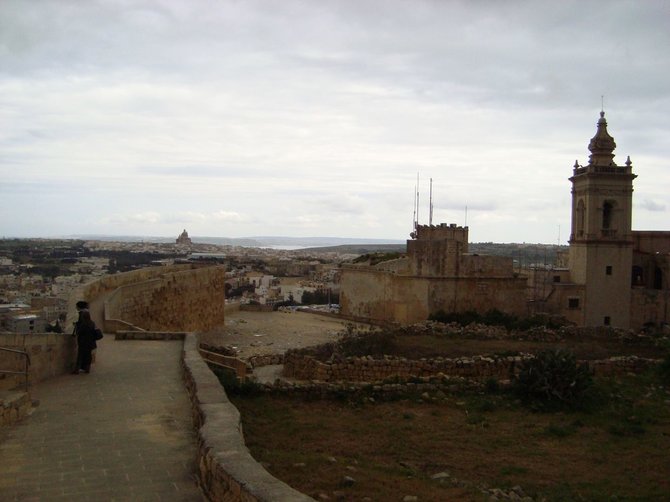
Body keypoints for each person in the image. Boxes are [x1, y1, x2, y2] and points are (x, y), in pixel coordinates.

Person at [72, 310, 97, 374]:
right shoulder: (92, 323)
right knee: (88, 356)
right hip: (90, 342)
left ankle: (77, 370)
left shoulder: (83, 324)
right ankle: (87, 369)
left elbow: (79, 332)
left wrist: (76, 326)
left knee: (80, 356)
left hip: (83, 342)